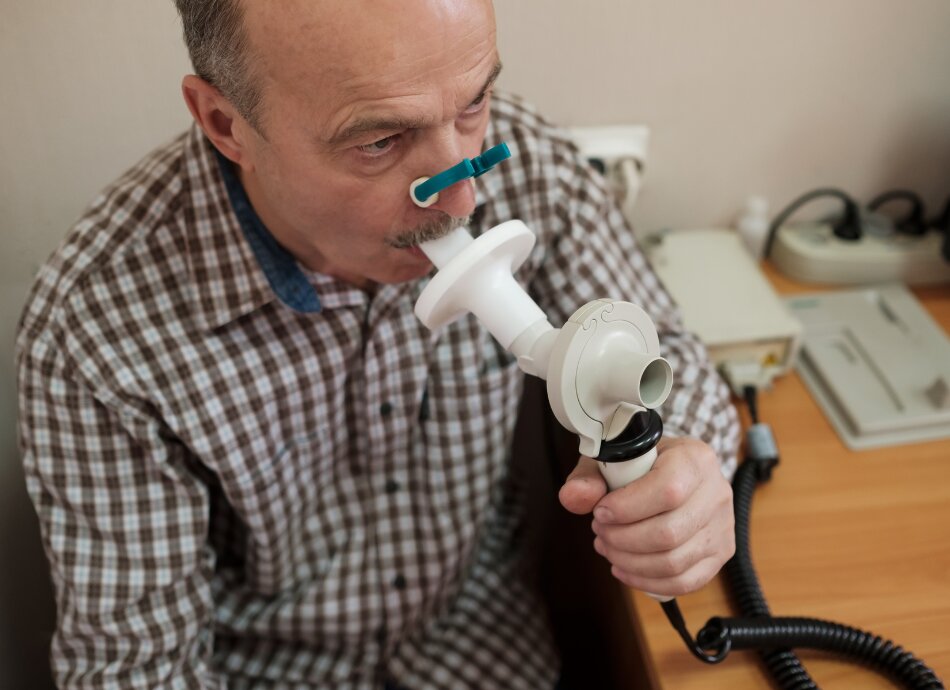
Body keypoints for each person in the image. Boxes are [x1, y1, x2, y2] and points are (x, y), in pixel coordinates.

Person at [16, 0, 740, 687]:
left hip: (485, 647)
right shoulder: (97, 329)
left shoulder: (533, 173)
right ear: (225, 123)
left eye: (474, 105)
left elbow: (672, 361)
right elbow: (137, 669)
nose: (463, 197)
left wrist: (684, 480)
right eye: (378, 142)